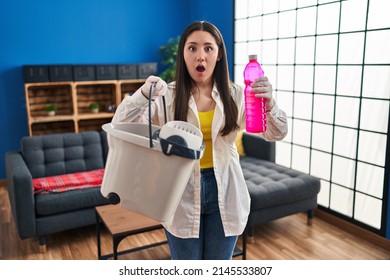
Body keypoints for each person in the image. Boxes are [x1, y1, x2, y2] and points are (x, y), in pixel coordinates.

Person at [112, 21, 287, 260]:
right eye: (192, 48)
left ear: (219, 53)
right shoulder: (167, 95)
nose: (200, 56)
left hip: (225, 189)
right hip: (179, 191)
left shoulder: (237, 94)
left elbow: (276, 133)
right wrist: (143, 94)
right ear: (183, 53)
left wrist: (269, 102)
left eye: (208, 48)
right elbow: (121, 124)